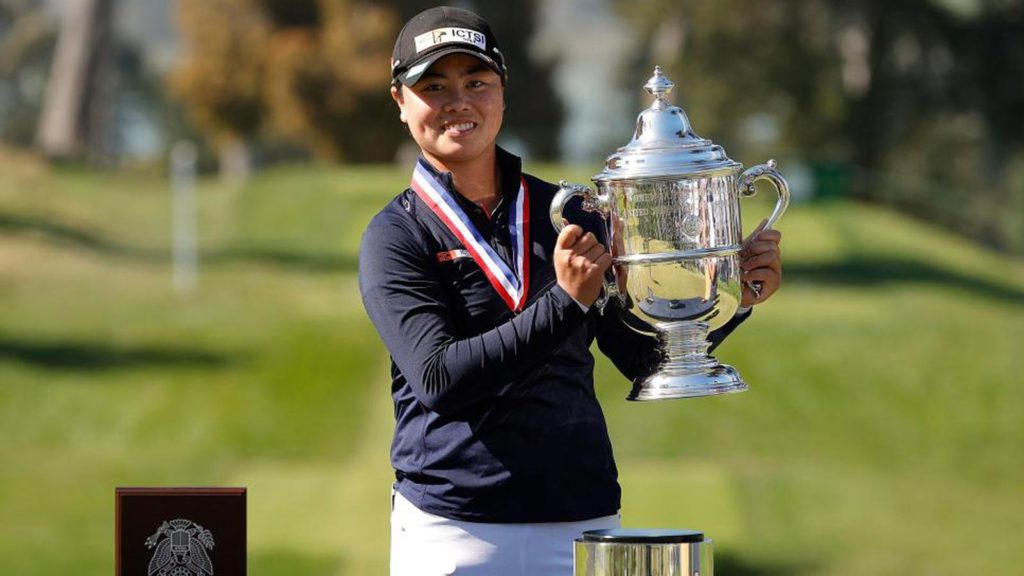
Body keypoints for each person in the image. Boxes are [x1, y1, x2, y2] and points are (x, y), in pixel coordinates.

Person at [358, 6, 783, 575]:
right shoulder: (396, 235)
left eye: (476, 82)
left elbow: (640, 360)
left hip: (584, 521)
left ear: (502, 90)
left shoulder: (571, 213)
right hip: (453, 530)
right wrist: (566, 302)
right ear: (400, 101)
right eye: (433, 87)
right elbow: (440, 379)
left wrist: (732, 301)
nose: (458, 102)